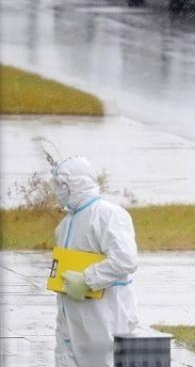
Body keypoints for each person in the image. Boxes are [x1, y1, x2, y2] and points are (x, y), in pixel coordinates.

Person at [51, 156, 139, 367]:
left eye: (61, 185)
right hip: (69, 324)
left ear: (76, 183)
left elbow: (125, 260)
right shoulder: (64, 225)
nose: (57, 191)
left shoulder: (109, 215)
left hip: (104, 321)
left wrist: (88, 279)